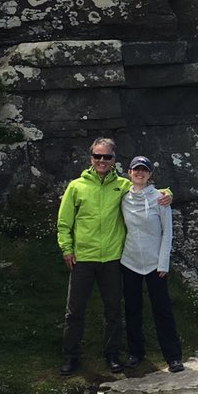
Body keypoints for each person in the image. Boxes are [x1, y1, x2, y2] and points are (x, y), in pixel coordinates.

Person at [56, 137, 171, 376]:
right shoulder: (76, 186)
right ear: (91, 158)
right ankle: (71, 356)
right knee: (75, 310)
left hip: (112, 258)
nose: (101, 160)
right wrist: (67, 248)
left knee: (113, 310)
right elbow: (64, 222)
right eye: (97, 156)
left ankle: (112, 354)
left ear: (114, 160)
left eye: (106, 156)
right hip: (83, 257)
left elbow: (148, 190)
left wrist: (168, 193)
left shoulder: (122, 185)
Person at [121, 155, 184, 373]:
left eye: (144, 170)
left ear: (150, 175)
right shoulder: (122, 197)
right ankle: (135, 352)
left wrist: (163, 264)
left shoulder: (160, 198)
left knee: (162, 309)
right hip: (129, 261)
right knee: (132, 308)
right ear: (129, 173)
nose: (140, 173)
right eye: (136, 170)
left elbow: (167, 232)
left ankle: (173, 356)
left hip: (155, 264)